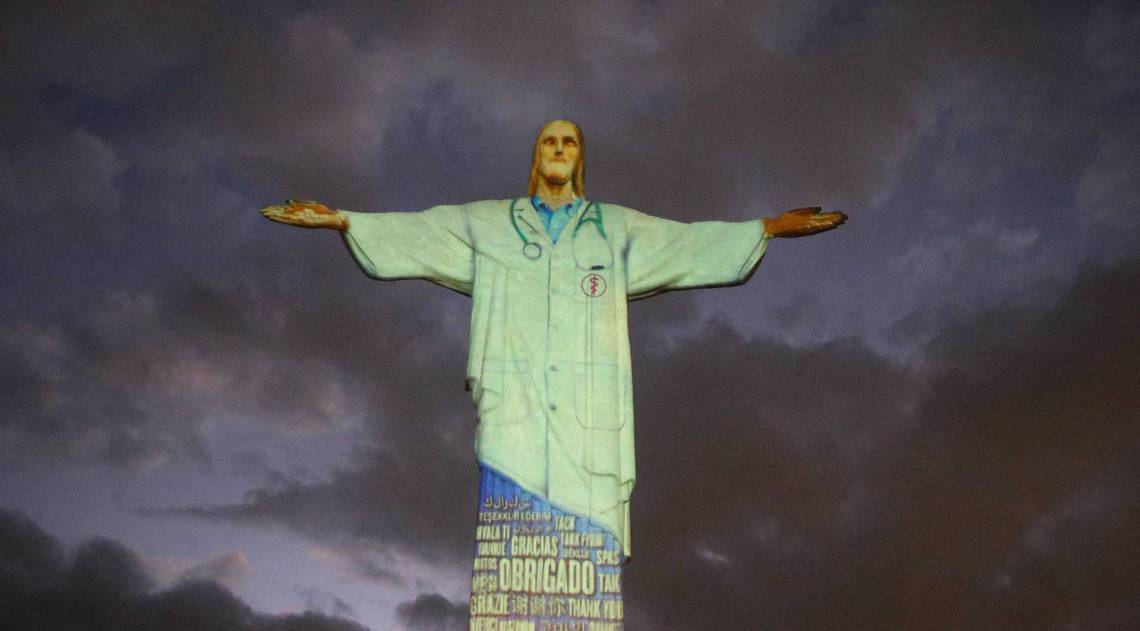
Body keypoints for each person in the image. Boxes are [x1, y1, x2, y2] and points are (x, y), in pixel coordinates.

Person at [261, 119, 846, 627]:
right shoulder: (489, 223)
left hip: (589, 425)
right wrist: (343, 220)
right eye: (549, 141)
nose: (559, 148)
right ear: (536, 156)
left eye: (569, 141)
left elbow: (685, 243)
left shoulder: (614, 227)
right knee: (507, 572)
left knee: (584, 579)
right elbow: (419, 230)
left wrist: (763, 228)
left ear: (580, 157)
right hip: (515, 418)